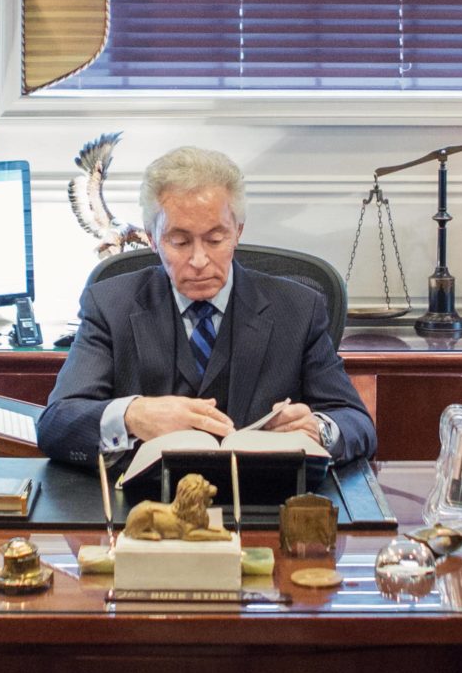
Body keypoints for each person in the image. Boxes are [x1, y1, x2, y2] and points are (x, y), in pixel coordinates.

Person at [38, 146, 377, 464]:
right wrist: (131, 416)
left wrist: (320, 428)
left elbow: (357, 424)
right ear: (152, 239)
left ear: (237, 232)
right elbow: (55, 424)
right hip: (144, 510)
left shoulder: (299, 309)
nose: (199, 260)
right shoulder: (110, 305)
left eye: (215, 239)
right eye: (180, 241)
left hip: (265, 504)